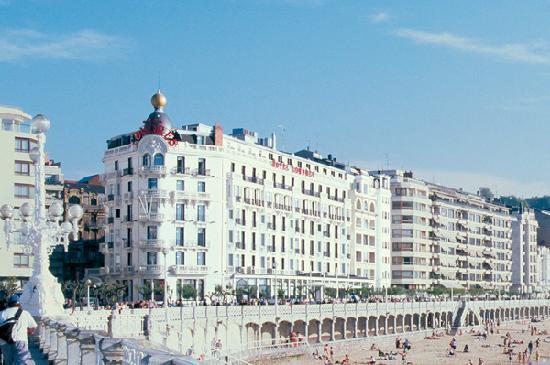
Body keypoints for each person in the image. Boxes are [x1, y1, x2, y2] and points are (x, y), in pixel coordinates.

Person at [0, 295, 37, 365]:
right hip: (21, 340)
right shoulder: (25, 313)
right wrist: (27, 333)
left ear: (9, 303)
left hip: (4, 342)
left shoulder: (2, 313)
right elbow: (33, 327)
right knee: (21, 362)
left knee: (8, 362)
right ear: (19, 303)